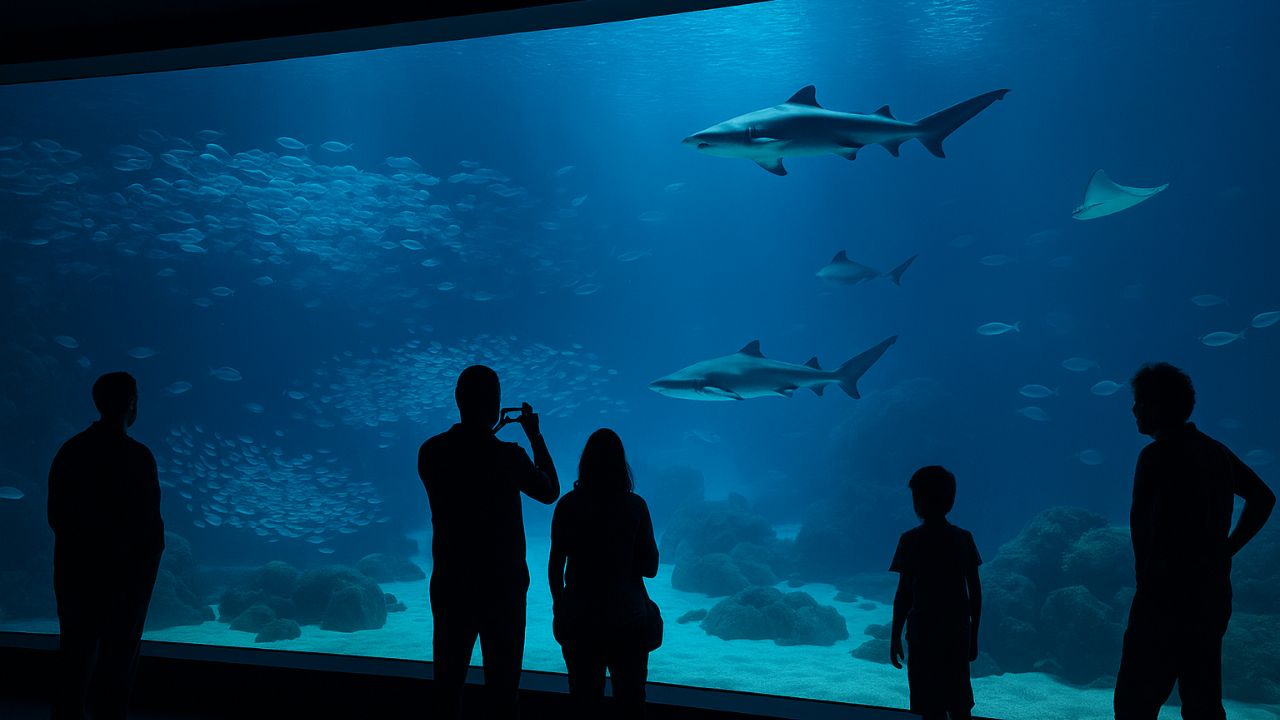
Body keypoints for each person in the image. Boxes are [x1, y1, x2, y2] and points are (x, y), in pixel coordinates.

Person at [1114, 362, 1274, 720]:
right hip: (1210, 593)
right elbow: (1264, 498)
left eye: (1139, 401)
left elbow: (1143, 526)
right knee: (1202, 699)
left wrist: (1148, 579)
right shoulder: (1215, 452)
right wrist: (1227, 549)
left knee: (1134, 701)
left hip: (1162, 597)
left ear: (1158, 406)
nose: (1134, 409)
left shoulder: (1154, 456)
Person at [417, 365, 560, 719]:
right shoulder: (509, 456)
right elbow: (550, 491)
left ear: (457, 400)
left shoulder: (431, 452)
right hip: (503, 589)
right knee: (503, 689)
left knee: (447, 687)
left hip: (451, 585)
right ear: (497, 408)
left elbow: (468, 455)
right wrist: (534, 436)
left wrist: (485, 432)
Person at [47, 372, 165, 720]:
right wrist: (141, 576)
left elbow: (57, 517)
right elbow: (151, 530)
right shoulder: (138, 457)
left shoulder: (71, 450)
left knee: (74, 657)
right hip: (126, 584)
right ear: (132, 404)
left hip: (75, 576)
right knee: (118, 663)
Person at [549, 428, 659, 720]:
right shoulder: (636, 506)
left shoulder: (568, 505)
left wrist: (560, 606)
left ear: (584, 463)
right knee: (632, 702)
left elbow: (554, 567)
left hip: (580, 620)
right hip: (629, 620)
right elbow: (651, 568)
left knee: (584, 703)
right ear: (621, 464)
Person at [889, 465, 982, 720]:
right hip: (957, 632)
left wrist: (895, 635)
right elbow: (975, 592)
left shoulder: (910, 540)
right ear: (950, 500)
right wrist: (973, 634)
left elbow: (903, 594)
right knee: (960, 703)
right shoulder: (964, 538)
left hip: (923, 635)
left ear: (917, 501)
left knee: (928, 706)